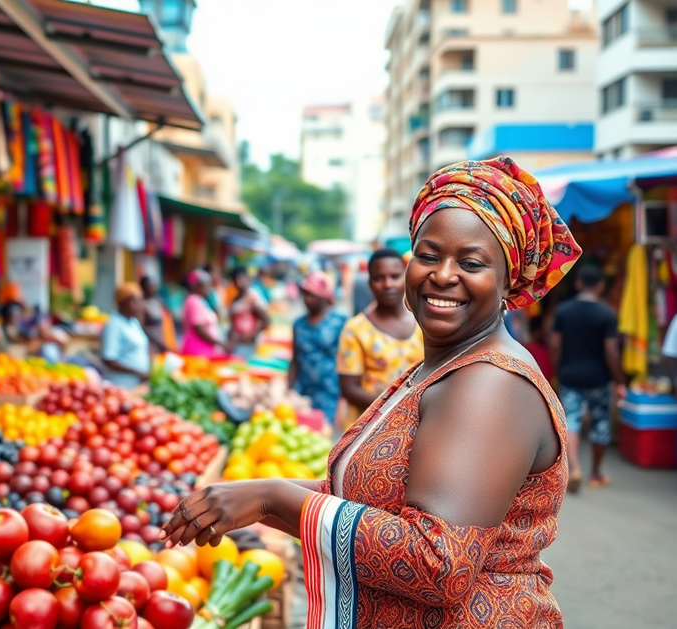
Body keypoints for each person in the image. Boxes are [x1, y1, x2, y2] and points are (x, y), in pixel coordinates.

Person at [159, 157, 581, 629]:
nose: (442, 275)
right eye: (427, 254)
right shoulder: (437, 367)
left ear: (509, 281)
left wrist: (273, 498)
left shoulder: (491, 383)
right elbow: (375, 506)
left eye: (471, 262)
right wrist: (251, 497)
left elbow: (438, 564)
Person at [550, 264, 626, 492]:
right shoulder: (606, 314)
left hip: (570, 375)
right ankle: (595, 474)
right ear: (601, 286)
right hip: (598, 378)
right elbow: (611, 351)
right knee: (600, 424)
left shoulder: (563, 311)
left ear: (579, 284)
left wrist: (557, 371)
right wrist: (620, 381)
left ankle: (574, 468)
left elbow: (555, 344)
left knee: (571, 420)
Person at [336, 248, 423, 430]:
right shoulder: (356, 329)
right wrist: (398, 408)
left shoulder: (424, 322)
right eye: (378, 278)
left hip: (415, 427)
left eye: (394, 276)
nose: (387, 284)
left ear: (406, 277)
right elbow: (350, 389)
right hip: (367, 429)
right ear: (370, 283)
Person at [288, 272, 347, 423]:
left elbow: (347, 362)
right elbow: (295, 360)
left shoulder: (340, 323)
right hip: (304, 392)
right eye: (305, 294)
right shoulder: (299, 325)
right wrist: (289, 390)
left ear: (323, 296)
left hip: (330, 393)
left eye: (311, 295)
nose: (306, 300)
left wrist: (343, 401)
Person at [100, 283, 151, 389]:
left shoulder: (133, 322)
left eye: (140, 301)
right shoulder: (114, 325)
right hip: (121, 385)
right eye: (134, 302)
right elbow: (108, 359)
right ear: (122, 303)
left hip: (137, 385)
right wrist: (137, 372)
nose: (139, 306)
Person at [181, 269, 228, 358]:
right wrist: (219, 343)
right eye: (207, 285)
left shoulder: (201, 301)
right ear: (198, 286)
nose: (209, 289)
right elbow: (199, 329)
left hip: (204, 350)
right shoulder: (193, 301)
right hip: (196, 350)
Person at [227, 267, 271, 359]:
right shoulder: (235, 299)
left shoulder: (251, 297)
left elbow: (266, 320)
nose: (239, 283)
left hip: (247, 343)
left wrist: (252, 335)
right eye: (236, 280)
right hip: (236, 341)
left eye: (241, 278)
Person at [139, 277, 173, 354]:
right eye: (150, 286)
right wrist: (159, 344)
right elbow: (142, 328)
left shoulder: (157, 302)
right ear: (143, 287)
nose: (154, 288)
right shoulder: (141, 305)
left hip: (161, 343)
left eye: (154, 286)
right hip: (150, 345)